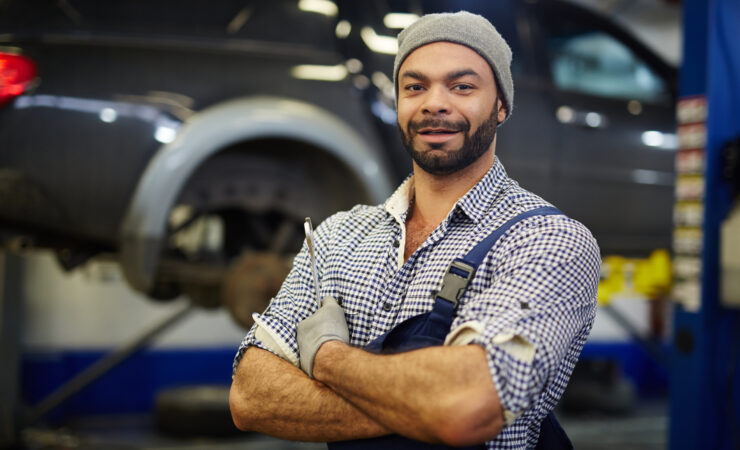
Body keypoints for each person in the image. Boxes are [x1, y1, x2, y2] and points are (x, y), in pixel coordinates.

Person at [230, 11, 600, 449]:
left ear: (501, 105)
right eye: (415, 87)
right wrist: (422, 404)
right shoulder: (337, 238)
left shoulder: (548, 240)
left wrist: (326, 357)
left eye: (462, 86)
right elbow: (250, 397)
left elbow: (465, 407)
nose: (434, 103)